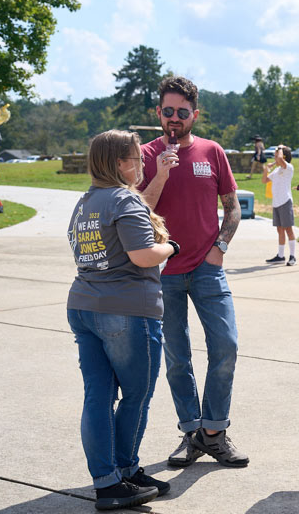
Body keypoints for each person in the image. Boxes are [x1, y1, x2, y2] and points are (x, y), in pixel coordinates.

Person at [138, 76, 249, 469]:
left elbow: (233, 207)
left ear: (194, 115)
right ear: (158, 112)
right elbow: (137, 210)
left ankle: (214, 433)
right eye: (167, 111)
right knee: (176, 356)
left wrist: (220, 248)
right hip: (162, 271)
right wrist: (161, 175)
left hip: (206, 267)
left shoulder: (212, 152)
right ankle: (190, 432)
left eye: (181, 113)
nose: (173, 119)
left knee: (226, 346)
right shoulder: (145, 154)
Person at [66, 130, 177, 510]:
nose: (143, 163)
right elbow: (143, 255)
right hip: (127, 311)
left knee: (97, 396)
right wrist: (171, 247)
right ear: (118, 163)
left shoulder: (85, 203)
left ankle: (110, 480)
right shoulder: (125, 200)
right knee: (136, 395)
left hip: (83, 306)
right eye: (136, 157)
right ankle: (124, 471)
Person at [262, 144, 297, 266]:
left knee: (288, 229)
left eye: (276, 156)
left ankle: (293, 256)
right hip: (276, 203)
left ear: (283, 156)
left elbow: (281, 160)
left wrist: (280, 148)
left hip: (285, 202)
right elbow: (264, 180)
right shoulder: (277, 171)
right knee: (279, 230)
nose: (275, 158)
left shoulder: (288, 168)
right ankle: (280, 256)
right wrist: (267, 168)